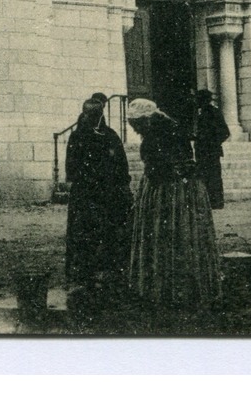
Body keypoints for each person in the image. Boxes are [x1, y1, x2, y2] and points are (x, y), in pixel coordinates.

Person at [126, 97, 221, 308]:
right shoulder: (167, 128)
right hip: (175, 186)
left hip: (172, 189)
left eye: (137, 125)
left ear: (147, 119)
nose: (136, 130)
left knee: (171, 234)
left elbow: (166, 165)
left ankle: (168, 288)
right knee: (175, 234)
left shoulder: (159, 133)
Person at [64, 95, 132, 297]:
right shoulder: (77, 137)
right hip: (86, 194)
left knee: (108, 231)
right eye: (89, 113)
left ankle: (106, 271)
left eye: (95, 114)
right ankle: (83, 272)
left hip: (107, 193)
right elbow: (71, 168)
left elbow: (121, 164)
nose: (91, 117)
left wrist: (121, 184)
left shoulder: (110, 136)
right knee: (85, 232)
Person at [191, 88, 231, 210]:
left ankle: (217, 202)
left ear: (203, 100)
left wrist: (211, 142)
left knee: (213, 176)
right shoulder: (199, 113)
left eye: (198, 99)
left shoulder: (214, 112)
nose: (196, 101)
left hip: (211, 151)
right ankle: (207, 202)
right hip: (202, 151)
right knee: (203, 176)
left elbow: (225, 132)